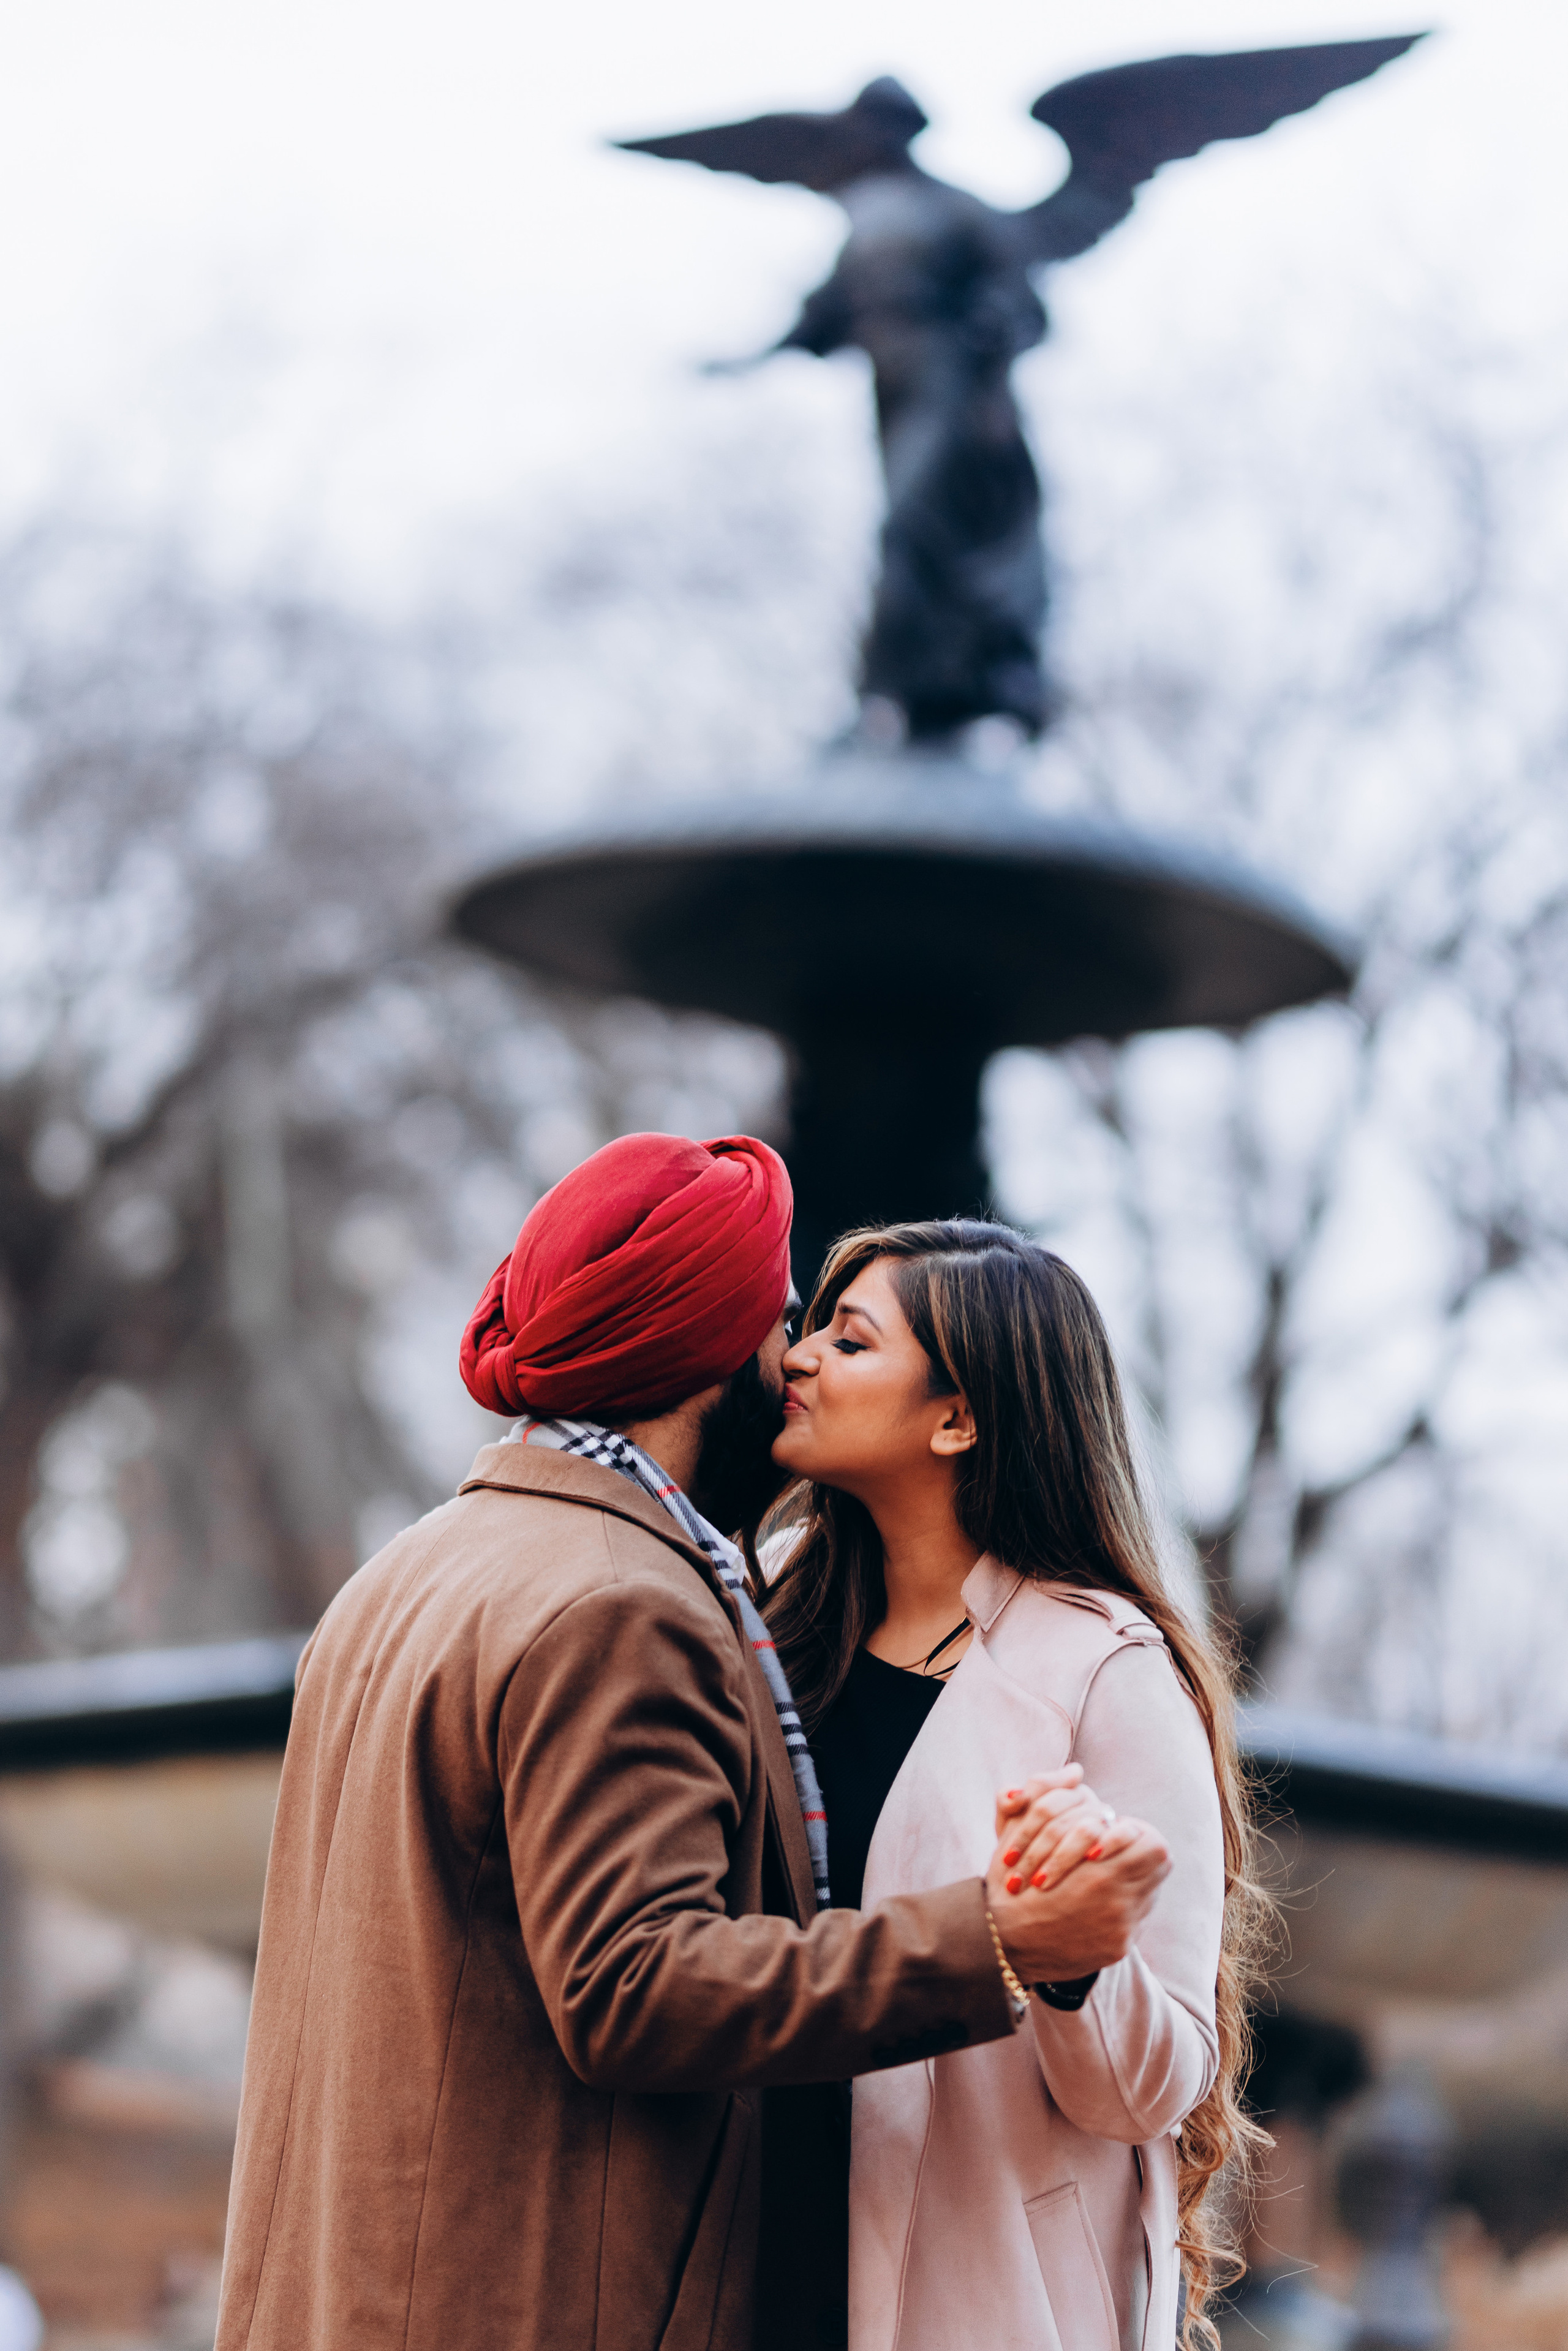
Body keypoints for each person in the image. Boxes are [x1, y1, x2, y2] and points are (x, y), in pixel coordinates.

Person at [215, 1135, 1170, 2351]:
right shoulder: (621, 1604)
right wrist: (994, 1940)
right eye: (780, 1324)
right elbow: (633, 1984)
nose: (795, 1364)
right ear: (703, 1350)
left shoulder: (399, 1576)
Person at [765, 1219, 1267, 2351]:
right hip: (751, 2256)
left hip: (969, 2292)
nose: (796, 1358)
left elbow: (1155, 2088)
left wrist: (1073, 1958)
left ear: (957, 1417)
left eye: (848, 1342)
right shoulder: (773, 1619)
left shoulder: (1107, 1671)